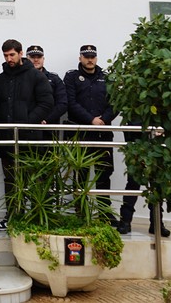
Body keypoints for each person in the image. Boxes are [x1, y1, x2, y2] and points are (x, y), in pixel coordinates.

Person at [0, 39, 53, 231]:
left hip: (31, 140)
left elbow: (47, 103)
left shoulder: (36, 76)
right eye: (6, 55)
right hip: (7, 141)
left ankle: (37, 219)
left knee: (35, 181)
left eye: (12, 54)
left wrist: (28, 122)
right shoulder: (0, 79)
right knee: (10, 181)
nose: (9, 58)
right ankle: (13, 217)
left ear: (20, 54)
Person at [63, 44, 116, 222]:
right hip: (81, 134)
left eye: (92, 56)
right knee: (81, 176)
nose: (89, 59)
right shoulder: (71, 77)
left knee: (104, 175)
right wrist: (91, 120)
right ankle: (81, 214)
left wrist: (103, 120)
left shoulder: (106, 77)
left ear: (96, 58)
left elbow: (115, 103)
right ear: (80, 58)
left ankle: (104, 214)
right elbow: (70, 103)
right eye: (86, 56)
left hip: (103, 134)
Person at [26, 45, 68, 125]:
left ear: (43, 59)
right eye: (32, 57)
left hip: (49, 126)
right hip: (27, 125)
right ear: (27, 58)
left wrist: (46, 119)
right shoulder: (21, 79)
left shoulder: (54, 79)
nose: (36, 60)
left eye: (39, 57)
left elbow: (62, 104)